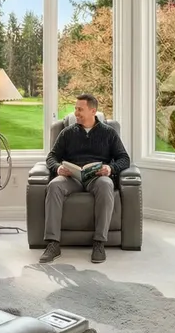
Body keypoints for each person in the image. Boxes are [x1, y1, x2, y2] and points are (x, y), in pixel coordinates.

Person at [39, 93, 130, 264]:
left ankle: (99, 243)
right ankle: (53, 243)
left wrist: (110, 168)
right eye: (75, 109)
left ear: (93, 111)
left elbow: (124, 159)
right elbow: (51, 157)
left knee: (106, 185)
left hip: (97, 177)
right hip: (71, 178)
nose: (76, 113)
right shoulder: (67, 133)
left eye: (80, 109)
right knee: (54, 185)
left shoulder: (109, 133)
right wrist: (58, 168)